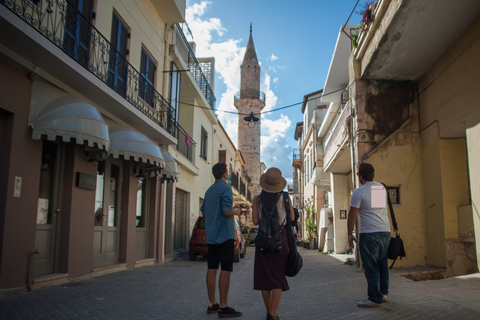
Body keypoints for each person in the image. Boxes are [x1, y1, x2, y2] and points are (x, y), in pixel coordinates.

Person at [252, 167, 295, 320]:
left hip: (263, 240)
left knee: (264, 278)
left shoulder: (257, 199)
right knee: (278, 277)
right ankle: (273, 314)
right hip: (280, 239)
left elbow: (255, 221)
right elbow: (291, 219)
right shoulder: (285, 197)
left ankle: (269, 311)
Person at [200, 163, 242, 318]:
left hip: (211, 237)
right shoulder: (225, 189)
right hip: (225, 236)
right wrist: (236, 211)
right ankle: (224, 307)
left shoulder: (209, 191)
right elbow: (227, 210)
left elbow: (203, 211)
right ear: (224, 174)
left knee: (211, 268)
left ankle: (213, 304)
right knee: (226, 269)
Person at [347, 163, 391, 308]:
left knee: (371, 266)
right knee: (382, 264)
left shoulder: (359, 192)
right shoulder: (380, 188)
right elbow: (376, 209)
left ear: (360, 176)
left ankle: (374, 298)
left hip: (369, 233)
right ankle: (383, 294)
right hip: (384, 231)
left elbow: (352, 216)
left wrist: (349, 234)